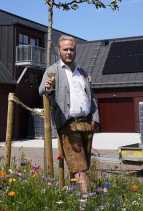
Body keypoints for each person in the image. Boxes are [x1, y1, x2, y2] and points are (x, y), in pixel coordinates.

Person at [39, 34, 100, 196]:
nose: (68, 52)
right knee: (79, 167)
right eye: (65, 49)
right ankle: (86, 199)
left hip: (87, 123)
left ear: (75, 51)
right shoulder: (52, 70)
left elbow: (91, 97)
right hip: (68, 124)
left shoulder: (82, 71)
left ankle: (72, 197)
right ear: (59, 50)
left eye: (71, 49)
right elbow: (43, 91)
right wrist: (48, 87)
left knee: (79, 165)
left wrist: (95, 119)